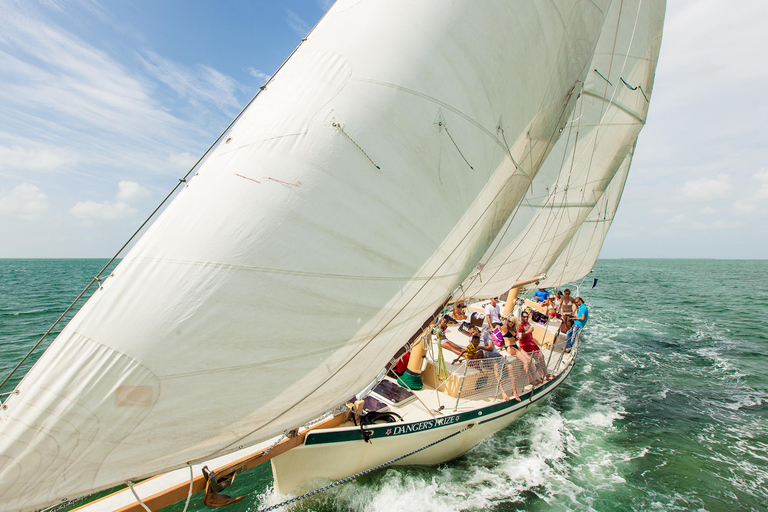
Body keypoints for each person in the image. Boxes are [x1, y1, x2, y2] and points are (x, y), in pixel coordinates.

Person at [517, 311, 549, 386]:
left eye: (527, 317)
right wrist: (528, 331)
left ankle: (545, 373)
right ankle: (542, 375)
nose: (526, 318)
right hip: (525, 344)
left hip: (532, 342)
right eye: (524, 317)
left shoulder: (527, 323)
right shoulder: (519, 325)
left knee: (541, 356)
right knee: (538, 357)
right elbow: (519, 336)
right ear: (521, 317)